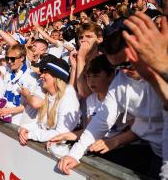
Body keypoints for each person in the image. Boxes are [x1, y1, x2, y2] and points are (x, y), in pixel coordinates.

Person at [58, 30, 167, 179]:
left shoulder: (163, 70)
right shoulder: (120, 80)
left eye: (128, 63)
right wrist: (74, 155)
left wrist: (115, 141)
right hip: (157, 153)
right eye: (117, 66)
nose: (124, 70)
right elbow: (101, 120)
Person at [18, 57, 81, 144]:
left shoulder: (68, 97)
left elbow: (61, 134)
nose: (41, 76)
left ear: (56, 77)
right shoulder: (49, 96)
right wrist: (25, 128)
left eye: (45, 73)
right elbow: (40, 124)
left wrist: (29, 135)